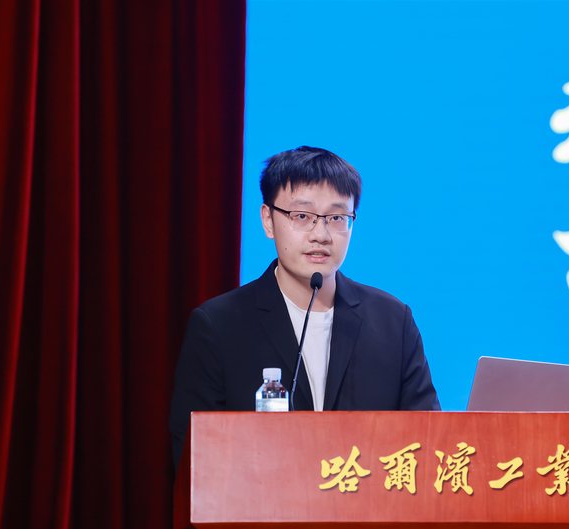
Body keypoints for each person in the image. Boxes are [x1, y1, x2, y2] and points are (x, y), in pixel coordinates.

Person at [169, 145, 440, 468]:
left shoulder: (393, 322)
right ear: (268, 221)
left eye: (337, 218)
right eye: (302, 216)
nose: (321, 235)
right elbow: (196, 460)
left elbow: (428, 443)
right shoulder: (219, 326)